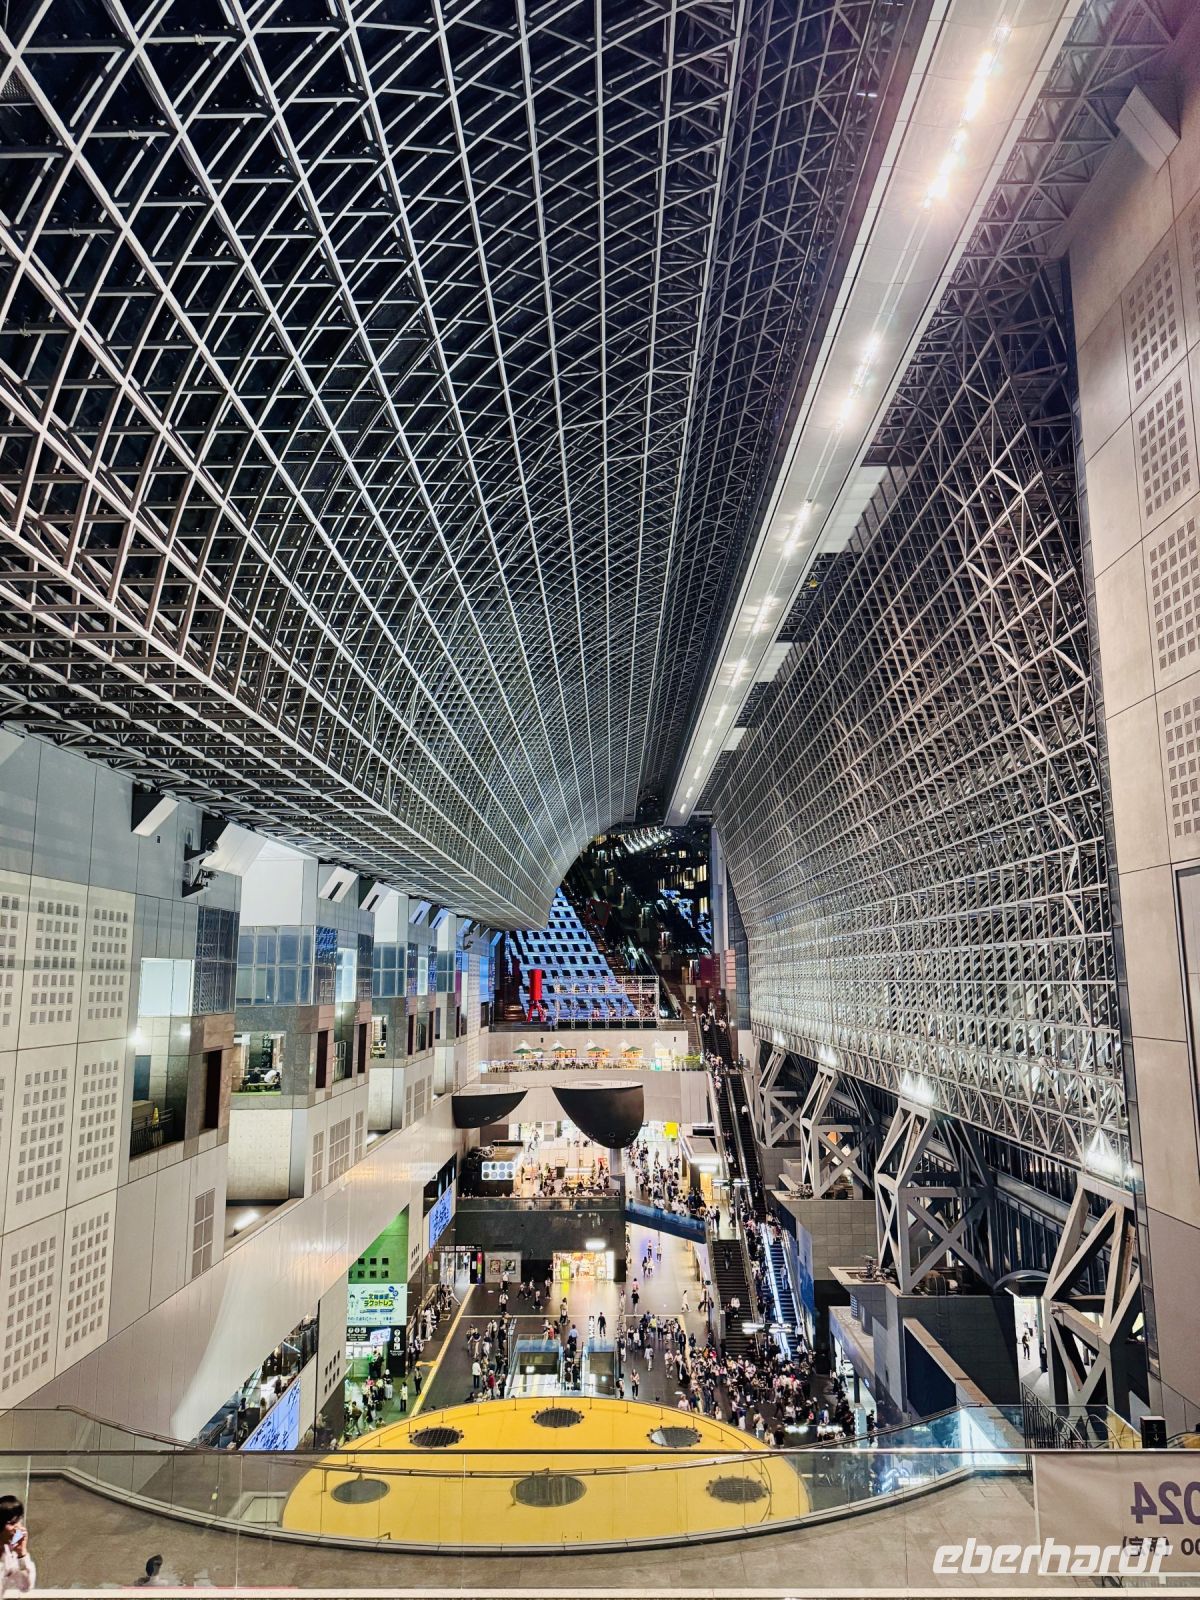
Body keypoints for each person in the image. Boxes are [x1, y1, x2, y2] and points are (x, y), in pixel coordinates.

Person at [0, 1496, 34, 1595]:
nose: (17, 1528)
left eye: (19, 1522)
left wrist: (21, 1553)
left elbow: (25, 1587)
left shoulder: (10, 1554)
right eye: (12, 1523)